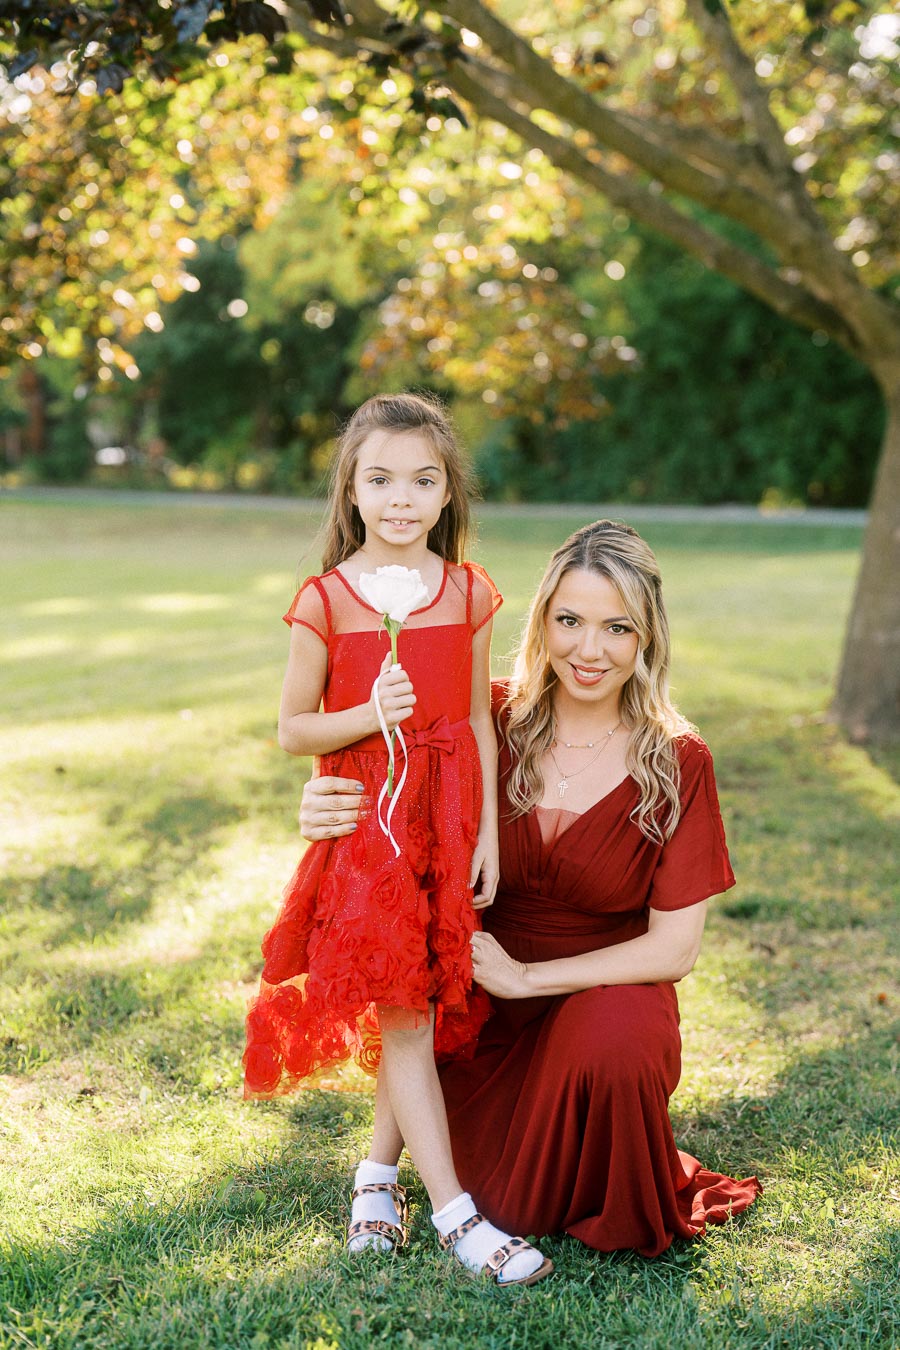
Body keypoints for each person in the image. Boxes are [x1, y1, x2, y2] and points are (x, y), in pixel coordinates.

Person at [299, 519, 761, 1259]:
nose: (589, 650)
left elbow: (675, 950)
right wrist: (320, 805)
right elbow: (384, 787)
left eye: (617, 628)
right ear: (542, 621)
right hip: (480, 999)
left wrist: (528, 976)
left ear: (647, 637)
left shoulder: (678, 759)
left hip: (606, 993)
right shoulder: (486, 716)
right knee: (504, 1196)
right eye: (570, 620)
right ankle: (386, 1175)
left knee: (616, 1044)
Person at [242, 392, 553, 1287]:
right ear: (352, 489)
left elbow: (477, 721)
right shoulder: (328, 600)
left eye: (423, 480)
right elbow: (294, 729)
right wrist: (366, 712)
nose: (401, 499)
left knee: (416, 1000)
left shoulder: (468, 590)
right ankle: (458, 1217)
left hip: (448, 825)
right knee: (407, 1016)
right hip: (372, 828)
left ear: (448, 491)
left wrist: (486, 834)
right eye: (380, 480)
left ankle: (376, 1182)